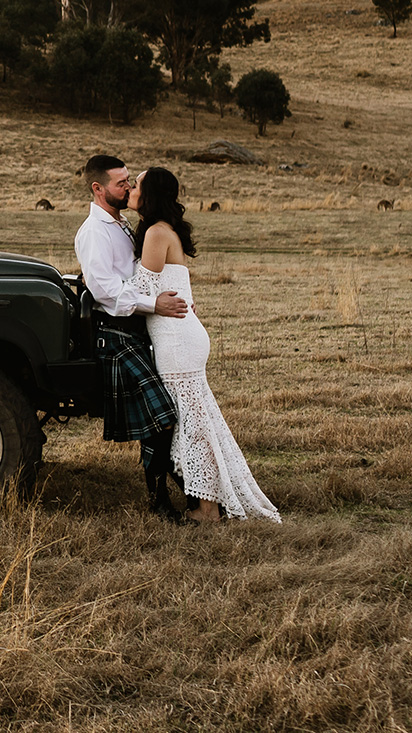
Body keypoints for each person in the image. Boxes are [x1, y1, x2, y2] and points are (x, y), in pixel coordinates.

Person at [130, 166, 280, 523]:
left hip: (176, 339)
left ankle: (208, 508)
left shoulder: (155, 233)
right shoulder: (163, 231)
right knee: (194, 424)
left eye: (136, 184)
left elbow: (142, 293)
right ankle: (207, 504)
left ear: (149, 193)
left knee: (190, 427)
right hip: (182, 334)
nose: (131, 189)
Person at [74, 153, 191, 521]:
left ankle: (187, 491)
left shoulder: (121, 223)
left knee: (160, 419)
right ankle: (159, 501)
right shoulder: (95, 231)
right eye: (121, 183)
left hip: (136, 331)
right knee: (162, 417)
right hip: (115, 334)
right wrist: (153, 304)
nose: (127, 188)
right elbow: (105, 290)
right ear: (98, 188)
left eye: (130, 181)